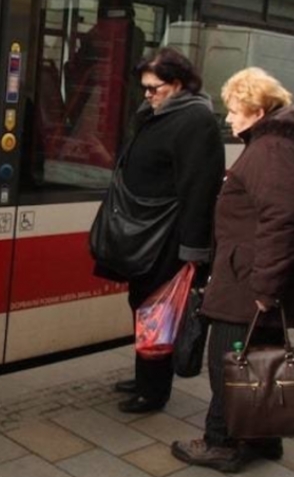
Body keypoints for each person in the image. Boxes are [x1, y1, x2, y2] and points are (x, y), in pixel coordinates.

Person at [171, 67, 294, 472]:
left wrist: (264, 287)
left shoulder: (272, 150)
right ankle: (262, 438)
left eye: (234, 108)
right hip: (254, 278)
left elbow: (282, 220)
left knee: (230, 362)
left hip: (248, 286)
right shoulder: (279, 145)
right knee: (260, 361)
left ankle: (221, 442)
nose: (228, 117)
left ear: (257, 110)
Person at [94, 47, 224, 413]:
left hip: (167, 236)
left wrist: (194, 252)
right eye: (144, 88)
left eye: (155, 88)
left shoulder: (195, 121)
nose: (148, 94)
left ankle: (153, 392)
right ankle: (144, 374)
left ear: (178, 84)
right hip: (146, 230)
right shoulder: (158, 113)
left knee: (158, 311)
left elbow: (200, 189)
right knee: (142, 303)